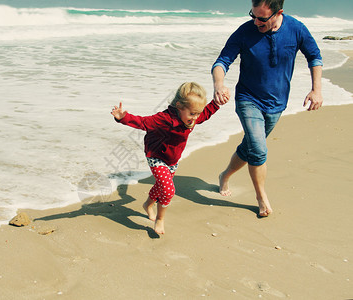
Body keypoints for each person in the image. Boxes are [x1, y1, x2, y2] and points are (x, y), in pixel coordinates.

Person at [211, 0, 323, 217]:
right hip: (248, 99)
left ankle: (224, 175)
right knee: (259, 149)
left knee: (250, 147)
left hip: (277, 103)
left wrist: (316, 90)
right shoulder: (245, 31)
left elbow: (314, 57)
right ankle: (261, 197)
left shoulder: (296, 29)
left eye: (261, 18)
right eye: (252, 15)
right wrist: (219, 84)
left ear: (278, 13)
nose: (255, 21)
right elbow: (222, 61)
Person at [111, 82, 220, 234]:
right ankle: (160, 219)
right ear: (179, 106)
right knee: (168, 190)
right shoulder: (164, 119)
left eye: (197, 114)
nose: (195, 118)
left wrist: (216, 103)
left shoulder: (192, 118)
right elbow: (143, 122)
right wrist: (123, 118)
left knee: (161, 186)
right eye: (192, 114)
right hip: (156, 155)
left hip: (172, 159)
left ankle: (148, 204)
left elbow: (206, 114)